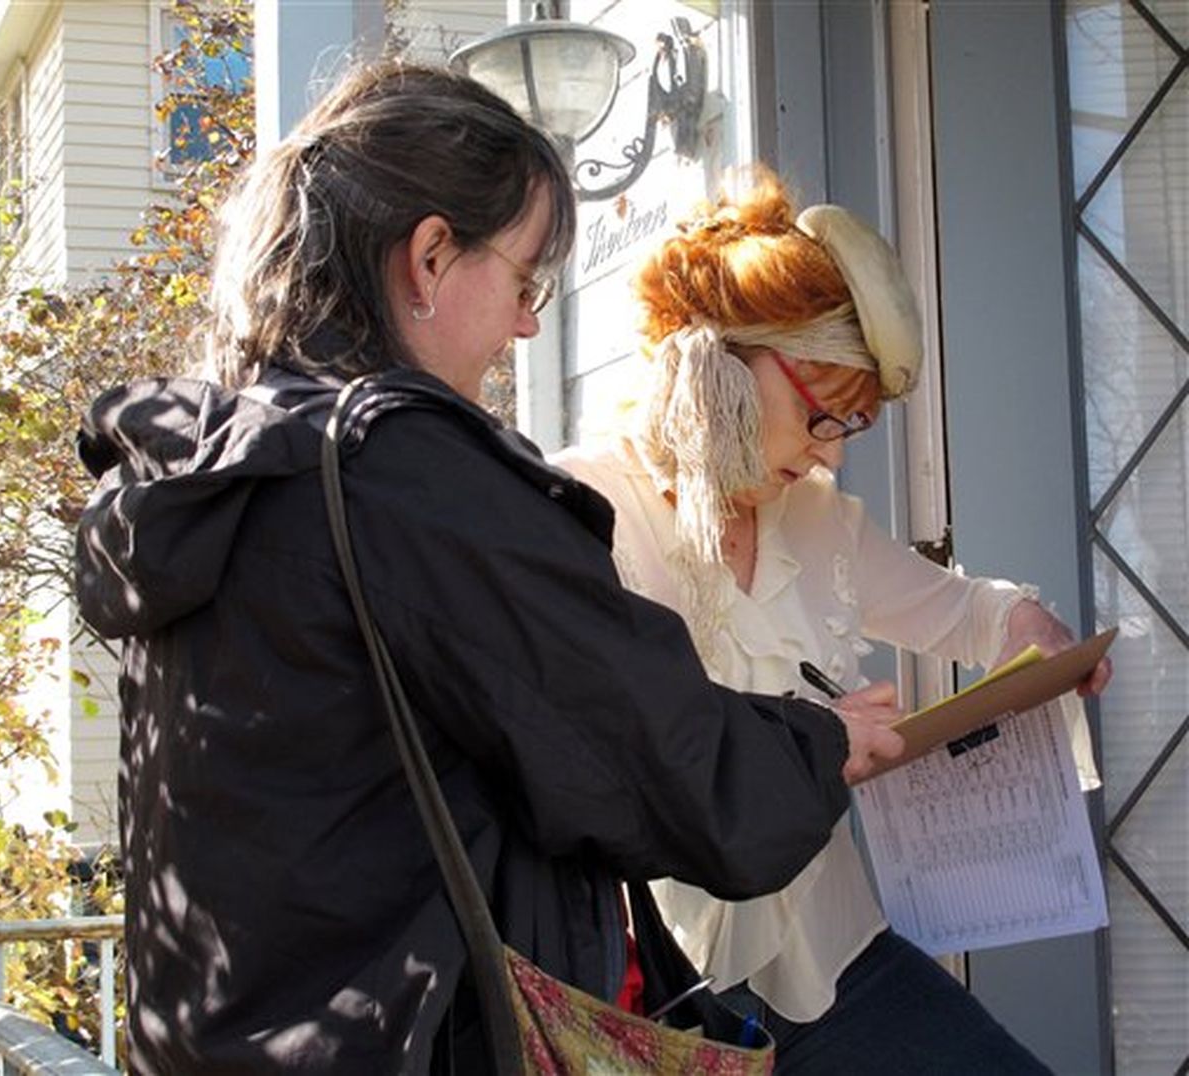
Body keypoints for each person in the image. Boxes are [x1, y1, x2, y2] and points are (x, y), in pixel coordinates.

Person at [73, 65, 905, 1074]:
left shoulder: (212, 470)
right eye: (521, 281)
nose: (525, 326)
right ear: (428, 258)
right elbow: (657, 760)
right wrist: (819, 746)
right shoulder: (404, 476)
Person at [553, 170, 1111, 1075]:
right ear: (721, 369)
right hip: (658, 996)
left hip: (835, 966)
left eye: (853, 424)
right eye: (823, 417)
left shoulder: (819, 521)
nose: (833, 453)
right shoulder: (578, 512)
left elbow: (964, 611)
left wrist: (1024, 626)